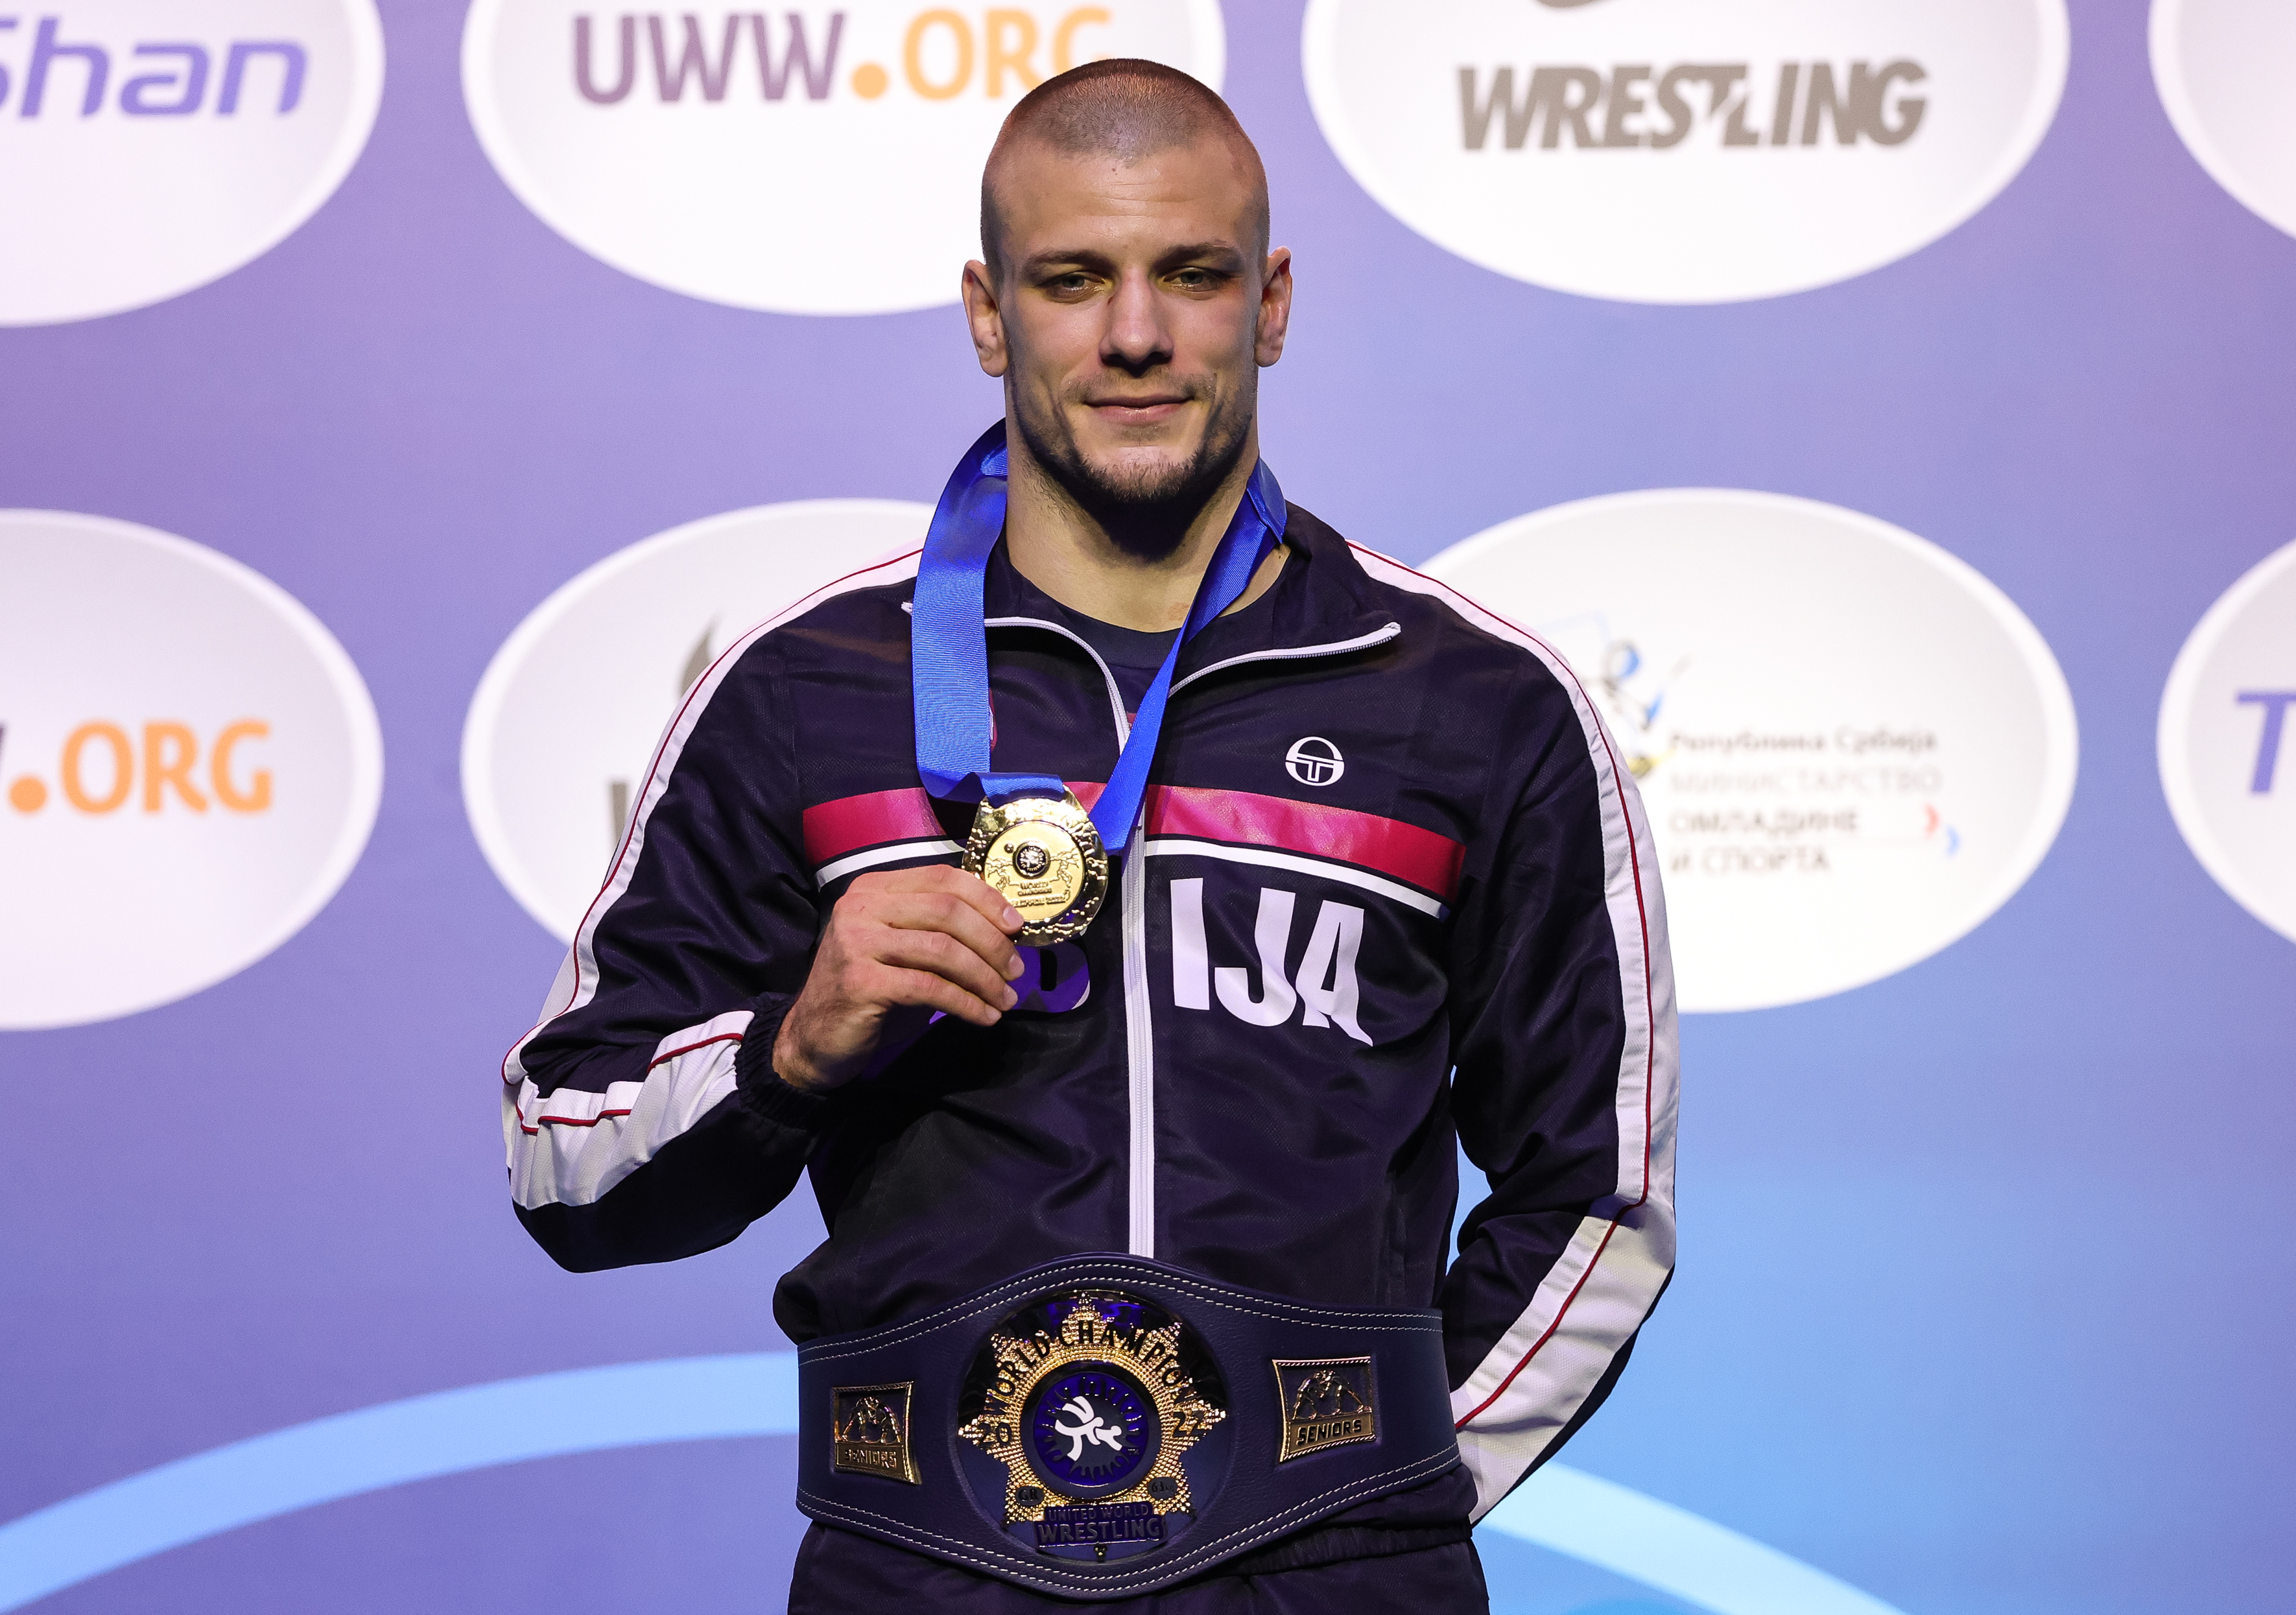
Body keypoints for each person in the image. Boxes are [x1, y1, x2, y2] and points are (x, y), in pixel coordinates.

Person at [502, 59, 1677, 1614]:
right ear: (989, 315)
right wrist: (796, 1046)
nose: (1135, 333)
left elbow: (1595, 1194)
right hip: (917, 1573)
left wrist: (1380, 1489)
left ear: (1268, 304)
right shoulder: (804, 692)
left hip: (1331, 1579)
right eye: (1074, 280)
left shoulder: (1471, 702)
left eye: (1188, 276)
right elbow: (561, 1161)